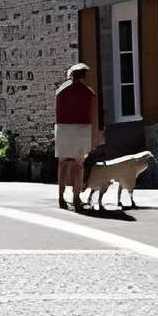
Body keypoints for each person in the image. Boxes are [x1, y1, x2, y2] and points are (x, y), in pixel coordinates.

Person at [54, 62, 98, 211]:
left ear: (71, 76)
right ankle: (76, 197)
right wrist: (95, 138)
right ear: (84, 76)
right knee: (79, 166)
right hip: (81, 129)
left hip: (63, 129)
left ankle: (61, 197)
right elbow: (93, 117)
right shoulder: (89, 92)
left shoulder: (61, 91)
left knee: (63, 164)